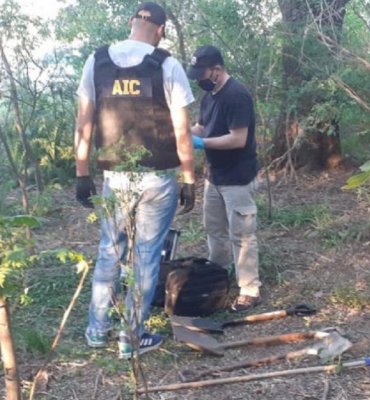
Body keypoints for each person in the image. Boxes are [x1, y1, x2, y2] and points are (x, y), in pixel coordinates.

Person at [74, 2, 195, 358]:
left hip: (115, 178)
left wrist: (82, 173)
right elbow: (182, 131)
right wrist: (189, 178)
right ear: (160, 30)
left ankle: (97, 331)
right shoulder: (167, 64)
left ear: (131, 24)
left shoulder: (97, 62)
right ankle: (130, 338)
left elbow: (84, 123)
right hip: (157, 179)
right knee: (145, 257)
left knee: (109, 251)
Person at [186, 45, 262, 312]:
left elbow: (238, 138)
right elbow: (203, 126)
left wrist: (200, 143)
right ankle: (219, 275)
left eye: (202, 74)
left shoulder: (237, 95)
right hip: (214, 177)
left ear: (216, 70)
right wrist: (185, 132)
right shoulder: (210, 96)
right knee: (214, 230)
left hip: (237, 178)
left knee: (241, 234)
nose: (199, 80)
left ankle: (250, 289)